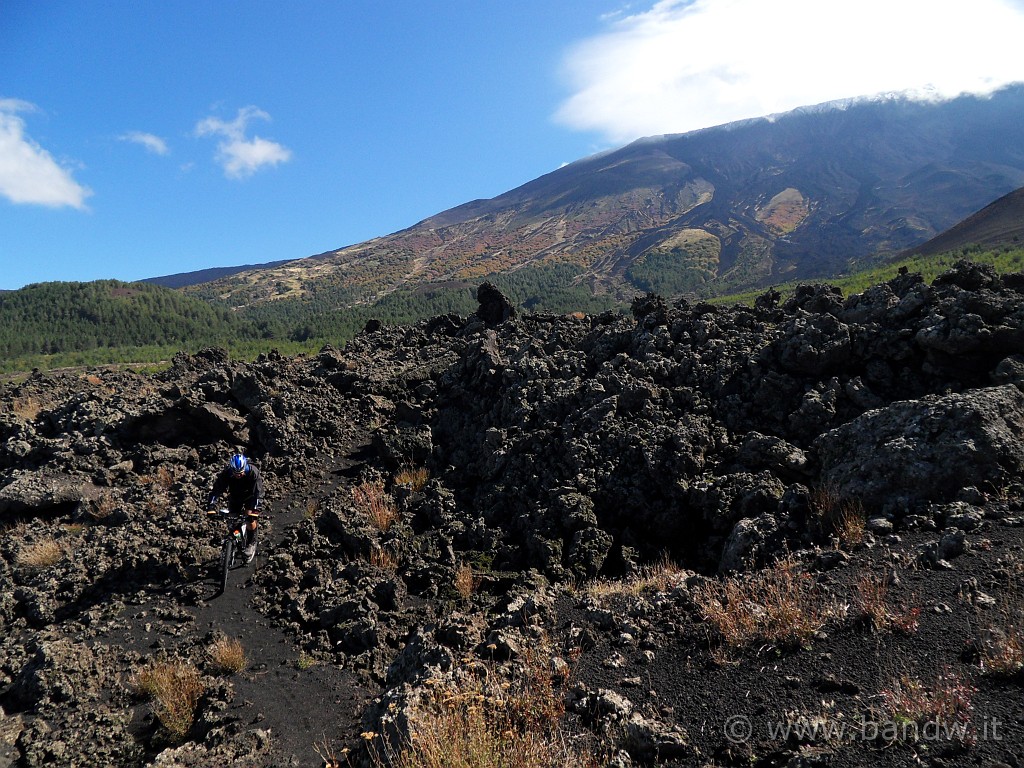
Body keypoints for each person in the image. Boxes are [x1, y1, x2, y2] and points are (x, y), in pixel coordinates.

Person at [207, 453, 265, 565]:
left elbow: (258, 493)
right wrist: (211, 506)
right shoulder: (227, 473)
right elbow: (216, 490)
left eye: (241, 473)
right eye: (236, 473)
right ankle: (237, 539)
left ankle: (251, 543)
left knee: (249, 520)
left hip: (250, 497)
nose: (238, 475)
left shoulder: (253, 472)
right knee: (233, 524)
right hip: (235, 497)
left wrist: (255, 510)